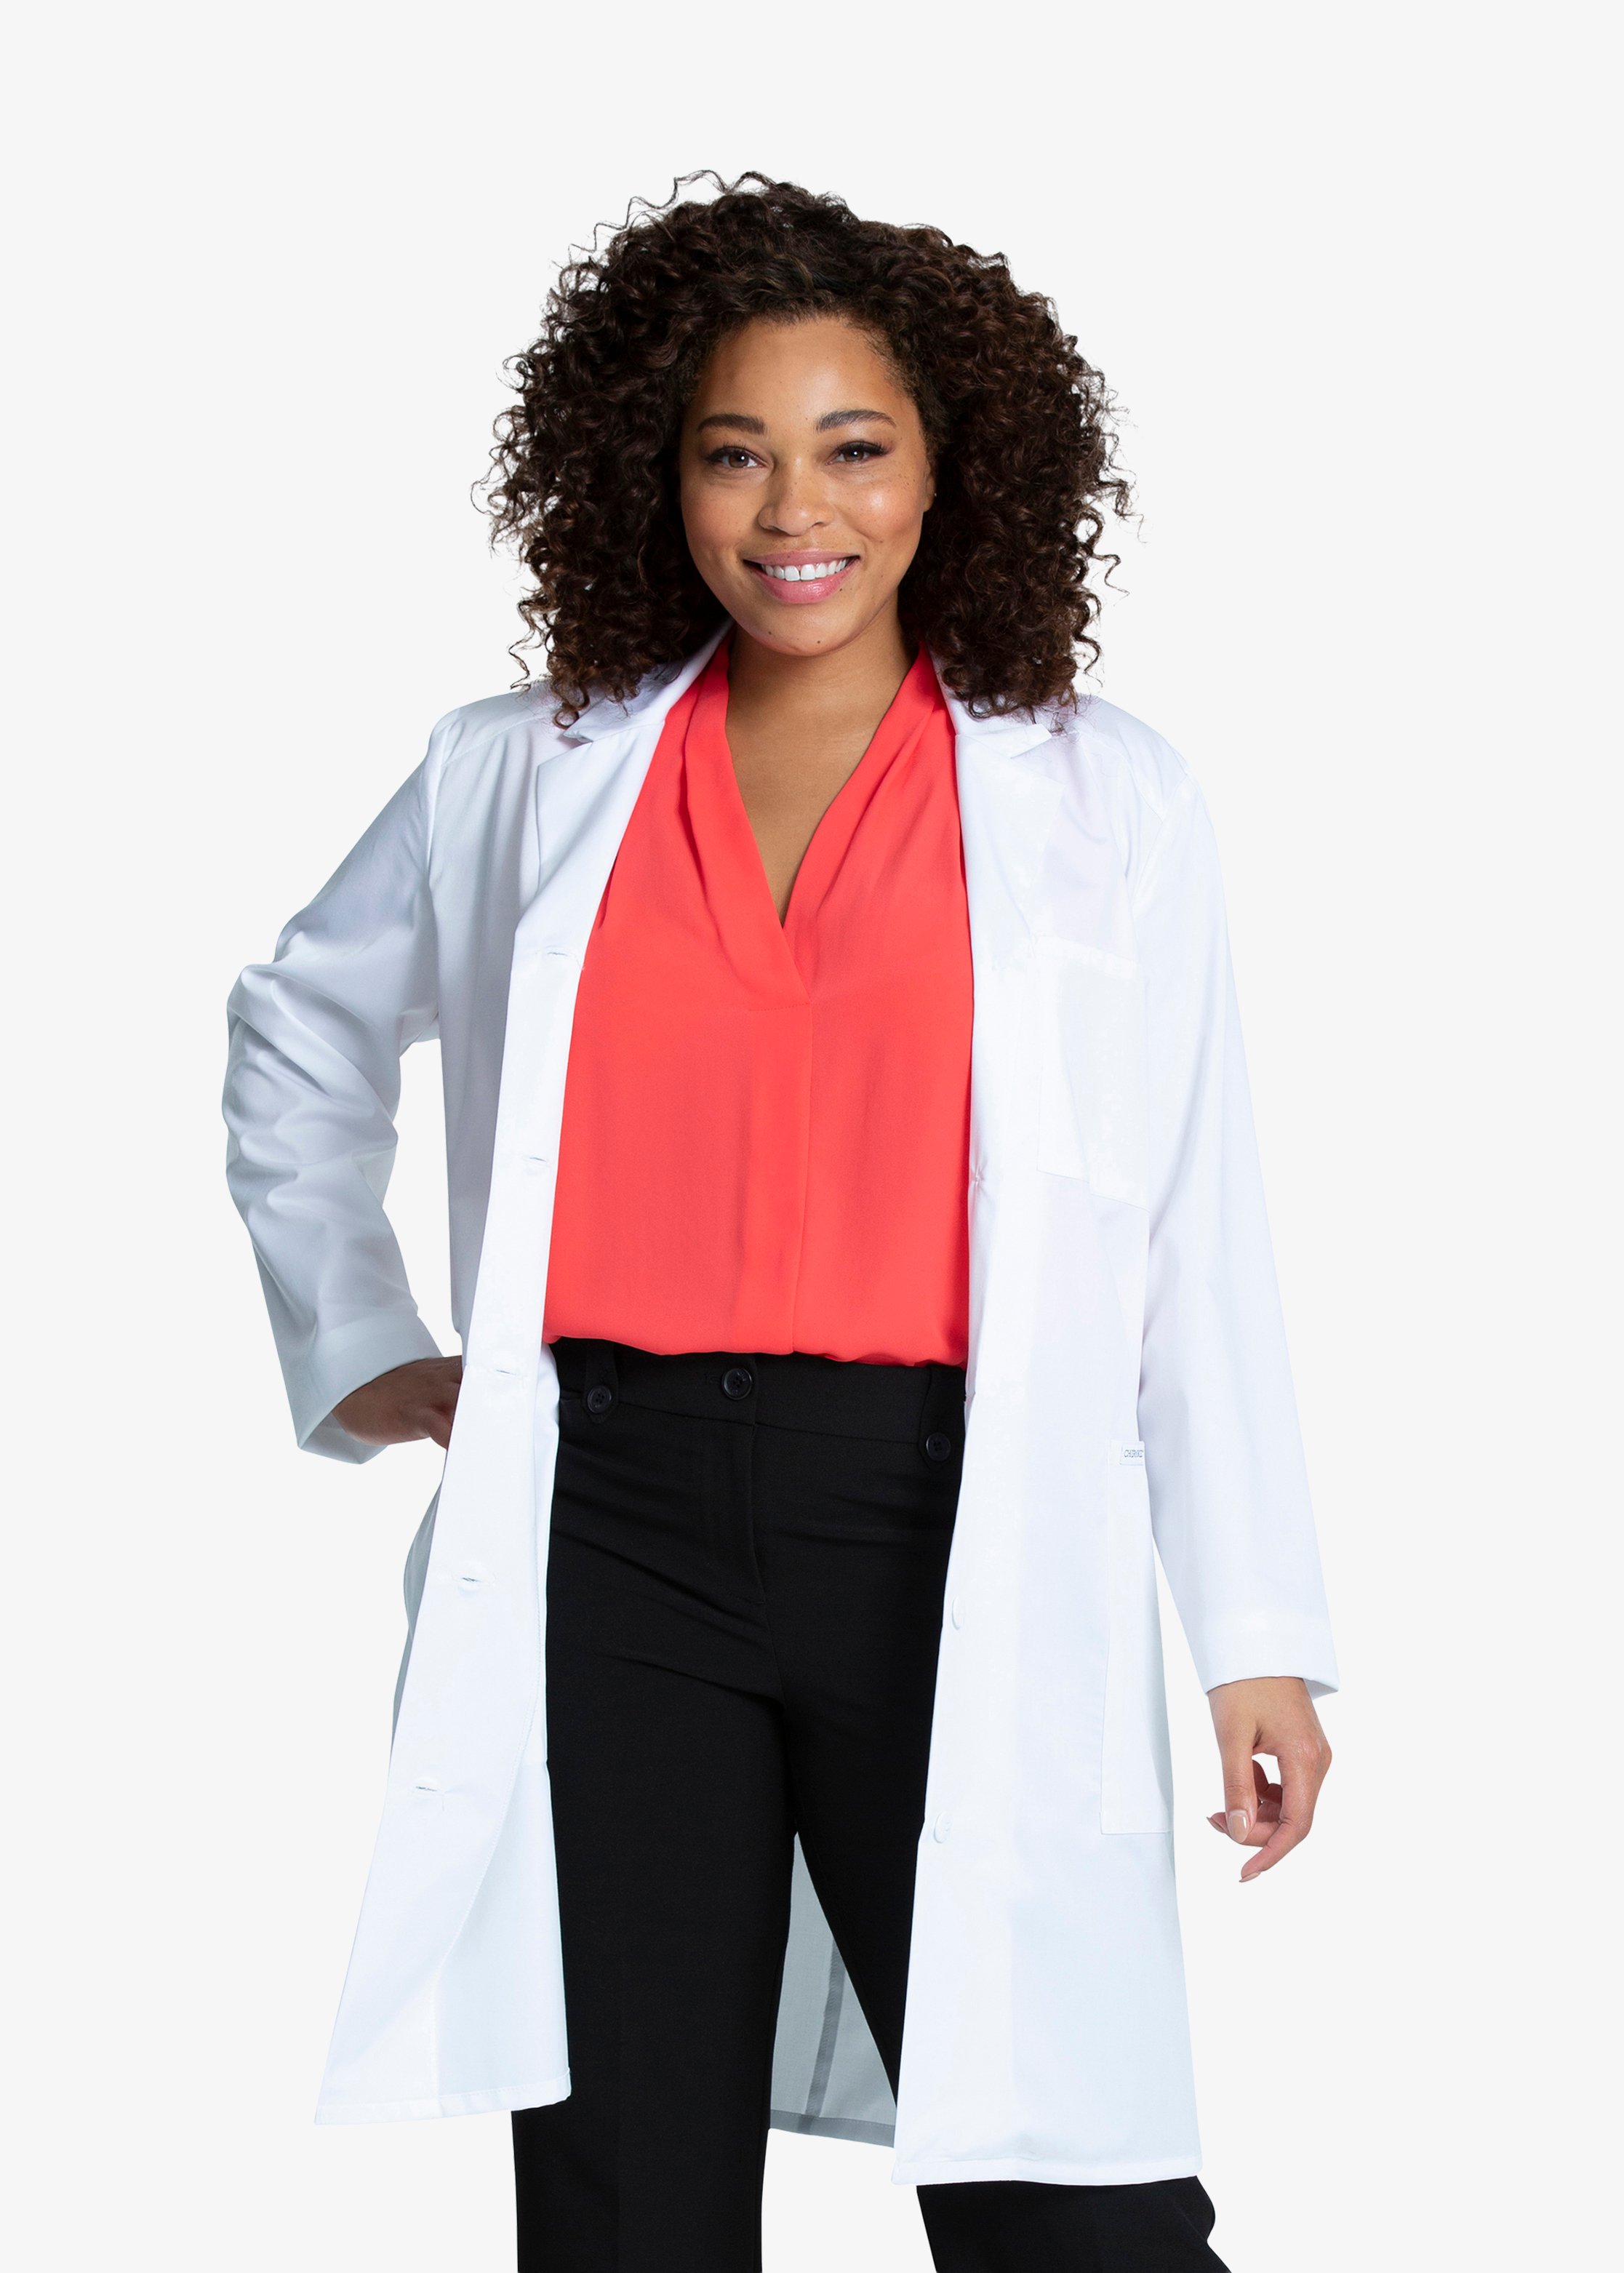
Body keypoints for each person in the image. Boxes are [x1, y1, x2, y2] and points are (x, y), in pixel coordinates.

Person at [223, 174, 1337, 2272]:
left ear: (947, 474)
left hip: (944, 1521)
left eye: (853, 447)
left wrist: (1253, 1628)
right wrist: (359, 1338)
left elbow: (1195, 1224)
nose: (793, 508)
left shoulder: (1100, 798)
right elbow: (301, 1027)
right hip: (607, 1533)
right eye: (734, 452)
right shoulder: (522, 772)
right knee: (625, 2189)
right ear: (656, 476)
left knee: (1068, 2201)